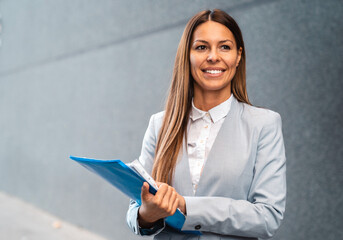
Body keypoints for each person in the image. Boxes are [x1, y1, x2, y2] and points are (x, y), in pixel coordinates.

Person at [126, 9, 286, 240]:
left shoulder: (264, 124)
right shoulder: (159, 124)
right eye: (201, 47)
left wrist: (187, 206)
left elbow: (268, 217)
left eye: (224, 47)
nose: (213, 56)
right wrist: (146, 214)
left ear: (238, 56)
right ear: (187, 55)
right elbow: (134, 211)